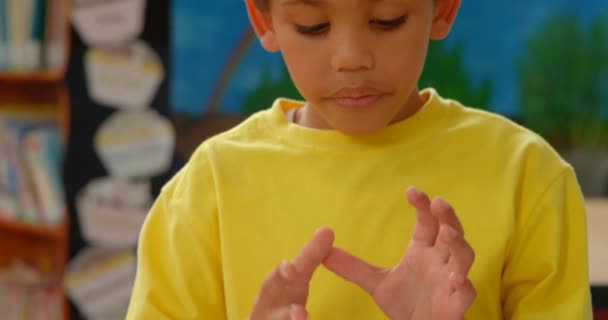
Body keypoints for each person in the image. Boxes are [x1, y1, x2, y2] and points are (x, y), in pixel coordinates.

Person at [126, 0, 592, 319]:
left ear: (443, 6)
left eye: (387, 19)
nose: (350, 58)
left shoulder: (527, 175)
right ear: (264, 19)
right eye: (313, 26)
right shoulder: (207, 189)